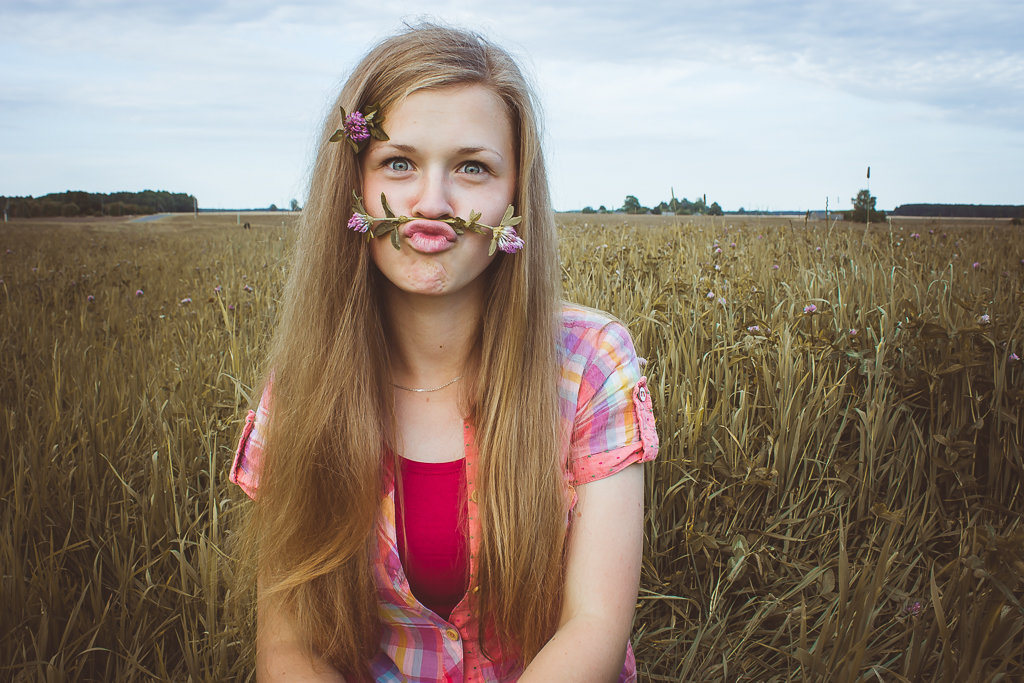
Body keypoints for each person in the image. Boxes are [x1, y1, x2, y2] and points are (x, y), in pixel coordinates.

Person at [230, 23, 658, 682]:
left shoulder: (591, 361)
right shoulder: (303, 389)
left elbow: (594, 625)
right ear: (354, 186)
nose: (432, 203)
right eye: (398, 162)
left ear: (515, 197)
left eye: (472, 166)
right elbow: (289, 646)